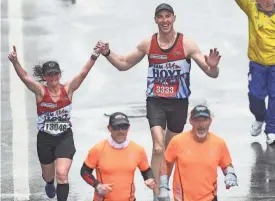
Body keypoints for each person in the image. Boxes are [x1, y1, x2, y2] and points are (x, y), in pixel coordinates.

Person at [95, 3, 222, 200]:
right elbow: (124, 64)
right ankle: (157, 194)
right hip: (155, 100)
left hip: (179, 102)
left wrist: (213, 67)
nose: (164, 21)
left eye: (168, 16)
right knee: (158, 147)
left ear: (174, 18)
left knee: (170, 150)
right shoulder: (148, 44)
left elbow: (211, 72)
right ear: (155, 20)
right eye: (160, 17)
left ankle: (163, 184)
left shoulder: (186, 44)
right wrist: (107, 52)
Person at [8, 45, 101, 201]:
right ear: (44, 77)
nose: (53, 77)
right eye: (49, 75)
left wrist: (95, 55)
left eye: (55, 74)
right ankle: (49, 183)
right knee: (48, 175)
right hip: (45, 139)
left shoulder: (68, 89)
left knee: (62, 174)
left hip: (64, 137)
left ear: (59, 74)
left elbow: (83, 73)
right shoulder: (40, 91)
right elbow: (25, 78)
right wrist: (15, 62)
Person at [234, 0, 275, 145]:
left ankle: (271, 131)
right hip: (257, 63)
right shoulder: (251, 8)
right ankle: (259, 117)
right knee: (255, 96)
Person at [164, 105, 238, 201]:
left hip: (210, 198)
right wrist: (163, 186)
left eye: (204, 120)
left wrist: (230, 174)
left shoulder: (219, 143)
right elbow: (166, 163)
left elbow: (226, 164)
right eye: (197, 120)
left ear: (210, 122)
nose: (201, 124)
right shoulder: (177, 141)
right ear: (191, 121)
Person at [80, 112, 156, 201]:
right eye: (116, 127)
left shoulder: (138, 150)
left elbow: (146, 171)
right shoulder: (98, 149)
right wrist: (97, 186)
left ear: (128, 128)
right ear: (109, 128)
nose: (121, 131)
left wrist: (150, 179)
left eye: (124, 127)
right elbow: (84, 171)